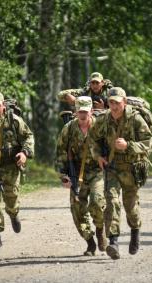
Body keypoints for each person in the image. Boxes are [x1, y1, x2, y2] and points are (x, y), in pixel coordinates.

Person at [89, 87, 152, 260]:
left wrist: (128, 146)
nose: (114, 106)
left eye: (117, 102)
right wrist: (98, 157)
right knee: (111, 202)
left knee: (130, 206)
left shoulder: (136, 119)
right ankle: (114, 242)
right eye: (111, 102)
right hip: (112, 168)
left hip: (132, 168)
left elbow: (148, 143)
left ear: (124, 102)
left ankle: (135, 232)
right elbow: (93, 139)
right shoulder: (103, 119)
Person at [56, 96, 107, 256]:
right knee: (77, 209)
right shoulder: (69, 129)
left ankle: (100, 229)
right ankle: (90, 242)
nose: (83, 114)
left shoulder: (100, 127)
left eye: (86, 111)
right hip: (76, 172)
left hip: (97, 171)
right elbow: (60, 153)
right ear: (75, 112)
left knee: (98, 202)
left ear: (91, 111)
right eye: (80, 111)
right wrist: (63, 175)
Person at [0, 91, 34, 248]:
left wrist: (24, 153)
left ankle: (13, 213)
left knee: (11, 197)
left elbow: (28, 137)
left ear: (3, 106)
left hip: (11, 165)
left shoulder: (14, 120)